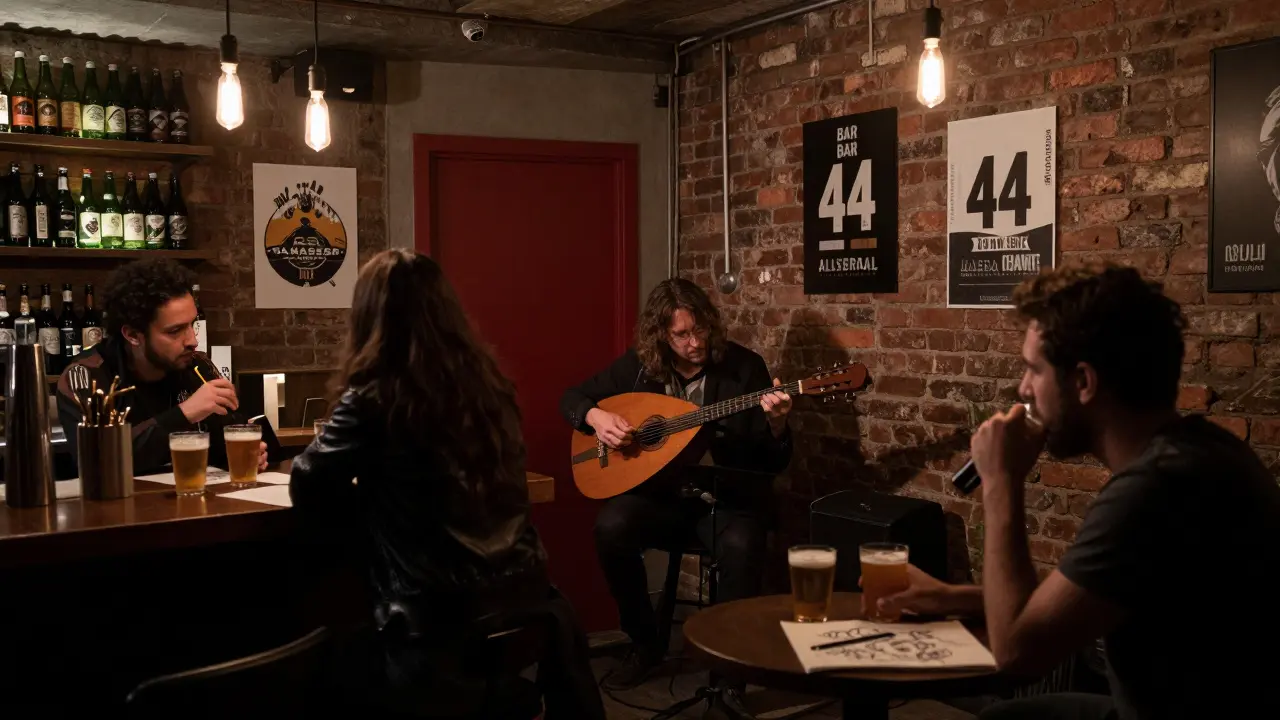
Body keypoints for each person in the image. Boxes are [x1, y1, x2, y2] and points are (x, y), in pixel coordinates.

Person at [868, 265, 1280, 720]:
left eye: (1033, 369)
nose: (1023, 389)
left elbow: (1017, 656)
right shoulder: (1200, 451)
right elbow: (1089, 592)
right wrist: (952, 596)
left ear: (1083, 382)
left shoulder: (1157, 488)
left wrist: (1002, 480)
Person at [290, 249, 603, 719]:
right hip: (525, 599)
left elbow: (309, 484)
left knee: (325, 646)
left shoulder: (374, 396)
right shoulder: (490, 386)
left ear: (369, 316)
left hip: (433, 618)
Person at [560, 278, 793, 706]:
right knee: (611, 527)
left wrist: (777, 425)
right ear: (661, 336)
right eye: (681, 335)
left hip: (724, 504)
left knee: (744, 544)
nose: (695, 342)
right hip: (661, 503)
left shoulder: (744, 369)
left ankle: (728, 679)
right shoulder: (640, 368)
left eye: (700, 329)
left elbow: (773, 464)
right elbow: (572, 398)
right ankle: (645, 643)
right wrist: (595, 417)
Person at [56, 258, 267, 475]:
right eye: (175, 331)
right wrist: (184, 414)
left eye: (192, 324)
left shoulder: (196, 366)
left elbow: (227, 440)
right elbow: (98, 460)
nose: (192, 340)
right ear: (133, 335)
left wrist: (250, 453)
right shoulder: (86, 376)